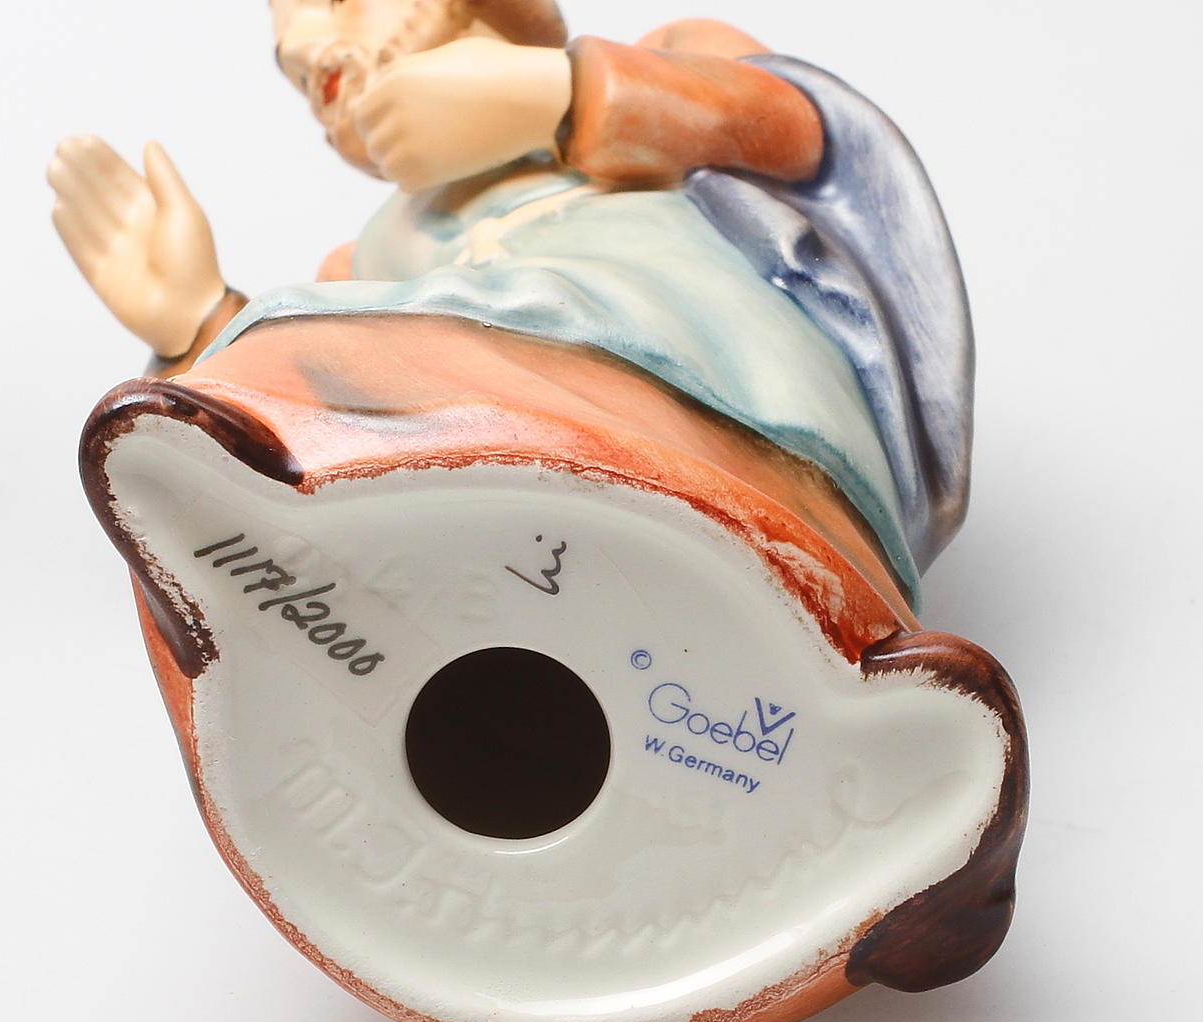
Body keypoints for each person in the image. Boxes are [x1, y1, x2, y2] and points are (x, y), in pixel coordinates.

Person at [49, 0, 968, 605]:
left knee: (319, 353)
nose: (302, 49)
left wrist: (555, 99)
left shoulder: (669, 61)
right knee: (284, 393)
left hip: (730, 417)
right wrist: (201, 322)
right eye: (289, 67)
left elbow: (812, 141)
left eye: (337, 1)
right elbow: (309, 410)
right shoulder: (367, 266)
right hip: (524, 521)